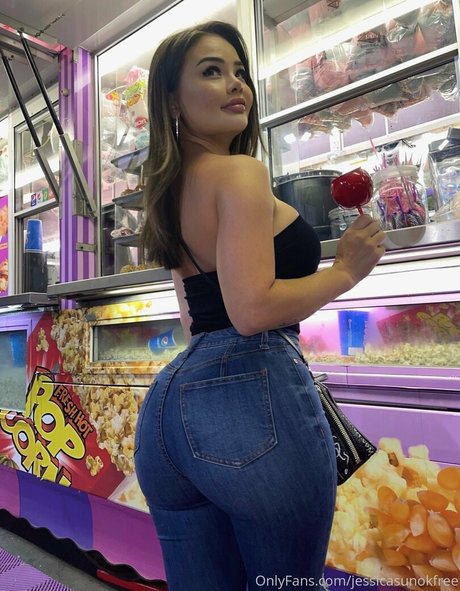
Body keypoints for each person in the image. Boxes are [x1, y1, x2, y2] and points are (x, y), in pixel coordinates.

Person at [134, 20, 385, 591]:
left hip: (168, 412)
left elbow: (195, 321)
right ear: (171, 100)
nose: (236, 84)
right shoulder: (241, 172)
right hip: (254, 396)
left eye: (239, 72)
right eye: (211, 72)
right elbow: (250, 311)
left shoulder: (168, 195)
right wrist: (345, 271)